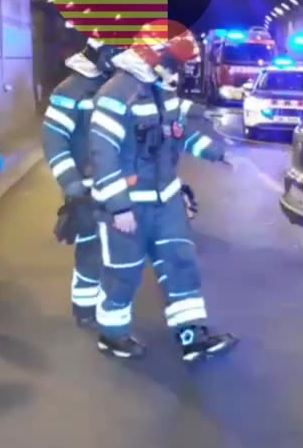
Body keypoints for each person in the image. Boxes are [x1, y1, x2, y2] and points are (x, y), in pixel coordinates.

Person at [89, 22, 237, 361]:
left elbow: (179, 134)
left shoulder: (160, 92)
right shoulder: (114, 96)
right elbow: (103, 153)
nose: (179, 71)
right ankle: (112, 334)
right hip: (129, 207)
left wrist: (219, 154)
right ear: (155, 55)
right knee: (123, 275)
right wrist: (118, 207)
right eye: (176, 62)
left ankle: (192, 336)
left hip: (165, 199)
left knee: (180, 263)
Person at [43, 38, 119, 326]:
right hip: (86, 186)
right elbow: (53, 139)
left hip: (117, 185)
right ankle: (85, 307)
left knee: (117, 248)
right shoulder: (70, 90)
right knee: (91, 247)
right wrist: (72, 184)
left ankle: (107, 304)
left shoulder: (119, 86)